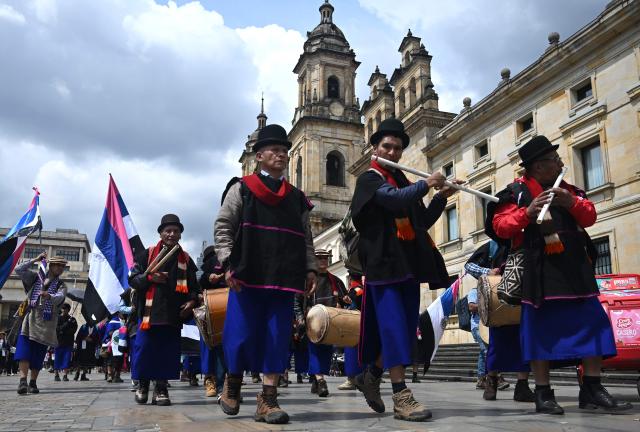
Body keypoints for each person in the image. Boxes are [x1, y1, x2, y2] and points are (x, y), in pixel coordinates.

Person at [488, 135, 633, 414]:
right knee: (540, 332)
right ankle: (543, 392)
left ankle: (592, 387)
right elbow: (500, 226)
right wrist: (526, 213)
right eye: (554, 160)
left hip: (575, 270)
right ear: (538, 168)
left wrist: (571, 203)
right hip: (538, 270)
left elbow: (589, 217)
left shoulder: (571, 190)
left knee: (594, 325)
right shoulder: (514, 193)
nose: (560, 163)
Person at [350, 118, 458, 422]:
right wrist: (428, 183)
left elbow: (420, 221)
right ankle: (401, 394)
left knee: (403, 329)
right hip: (384, 266)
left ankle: (370, 376)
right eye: (387, 146)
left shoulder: (404, 183)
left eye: (398, 148)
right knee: (394, 327)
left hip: (407, 266)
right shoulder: (370, 178)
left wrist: (440, 197)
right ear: (375, 148)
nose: (394, 152)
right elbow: (392, 200)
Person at [214, 123, 317, 424]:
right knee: (240, 335)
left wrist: (310, 268)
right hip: (247, 274)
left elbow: (306, 237)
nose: (281, 156)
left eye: (285, 151)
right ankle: (232, 385)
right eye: (275, 150)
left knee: (276, 337)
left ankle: (268, 400)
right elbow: (223, 227)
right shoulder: (241, 189)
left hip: (284, 278)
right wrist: (228, 263)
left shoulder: (297, 198)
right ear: (258, 156)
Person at [128, 214, 200, 406]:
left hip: (173, 314)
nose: (171, 234)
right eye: (168, 230)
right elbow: (133, 280)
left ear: (180, 235)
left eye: (176, 231)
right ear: (160, 233)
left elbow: (195, 287)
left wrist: (192, 301)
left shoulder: (186, 259)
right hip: (148, 315)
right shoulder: (147, 254)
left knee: (167, 352)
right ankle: (143, 385)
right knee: (145, 350)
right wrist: (150, 278)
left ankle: (161, 388)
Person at [465, 240, 534, 402]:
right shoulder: (496, 243)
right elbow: (469, 266)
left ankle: (522, 386)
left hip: (525, 292)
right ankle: (491, 382)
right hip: (502, 295)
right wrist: (488, 271)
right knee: (497, 343)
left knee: (525, 342)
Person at [293, 249, 347, 397]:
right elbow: (297, 301)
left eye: (326, 258)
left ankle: (316, 381)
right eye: (320, 258)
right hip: (313, 322)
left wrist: (345, 302)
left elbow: (345, 298)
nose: (323, 260)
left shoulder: (336, 280)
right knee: (315, 351)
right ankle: (321, 382)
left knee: (326, 353)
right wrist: (299, 318)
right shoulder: (307, 281)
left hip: (331, 324)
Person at [14, 253, 68, 395]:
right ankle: (23, 381)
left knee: (38, 354)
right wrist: (35, 260)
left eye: (63, 266)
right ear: (51, 265)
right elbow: (19, 269)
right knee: (24, 351)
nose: (61, 268)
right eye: (58, 265)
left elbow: (60, 297)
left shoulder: (61, 285)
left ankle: (33, 382)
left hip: (47, 322)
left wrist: (49, 295)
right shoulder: (36, 277)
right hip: (30, 318)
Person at [198, 245, 228, 399]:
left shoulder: (229, 263)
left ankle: (224, 385)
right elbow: (200, 282)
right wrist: (209, 278)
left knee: (224, 350)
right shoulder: (207, 270)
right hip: (208, 313)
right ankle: (209, 380)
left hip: (226, 311)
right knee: (209, 349)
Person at [337, 271, 364, 391]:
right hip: (355, 323)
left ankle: (352, 380)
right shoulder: (356, 290)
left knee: (353, 353)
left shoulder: (357, 290)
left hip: (355, 323)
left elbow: (354, 300)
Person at [53, 303, 77, 382]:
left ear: (68, 310)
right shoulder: (57, 318)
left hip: (68, 342)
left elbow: (73, 330)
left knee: (66, 359)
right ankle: (56, 374)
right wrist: (66, 324)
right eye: (62, 308)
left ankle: (65, 375)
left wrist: (64, 331)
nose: (63, 310)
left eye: (65, 309)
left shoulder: (72, 319)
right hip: (58, 342)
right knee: (57, 358)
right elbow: (57, 329)